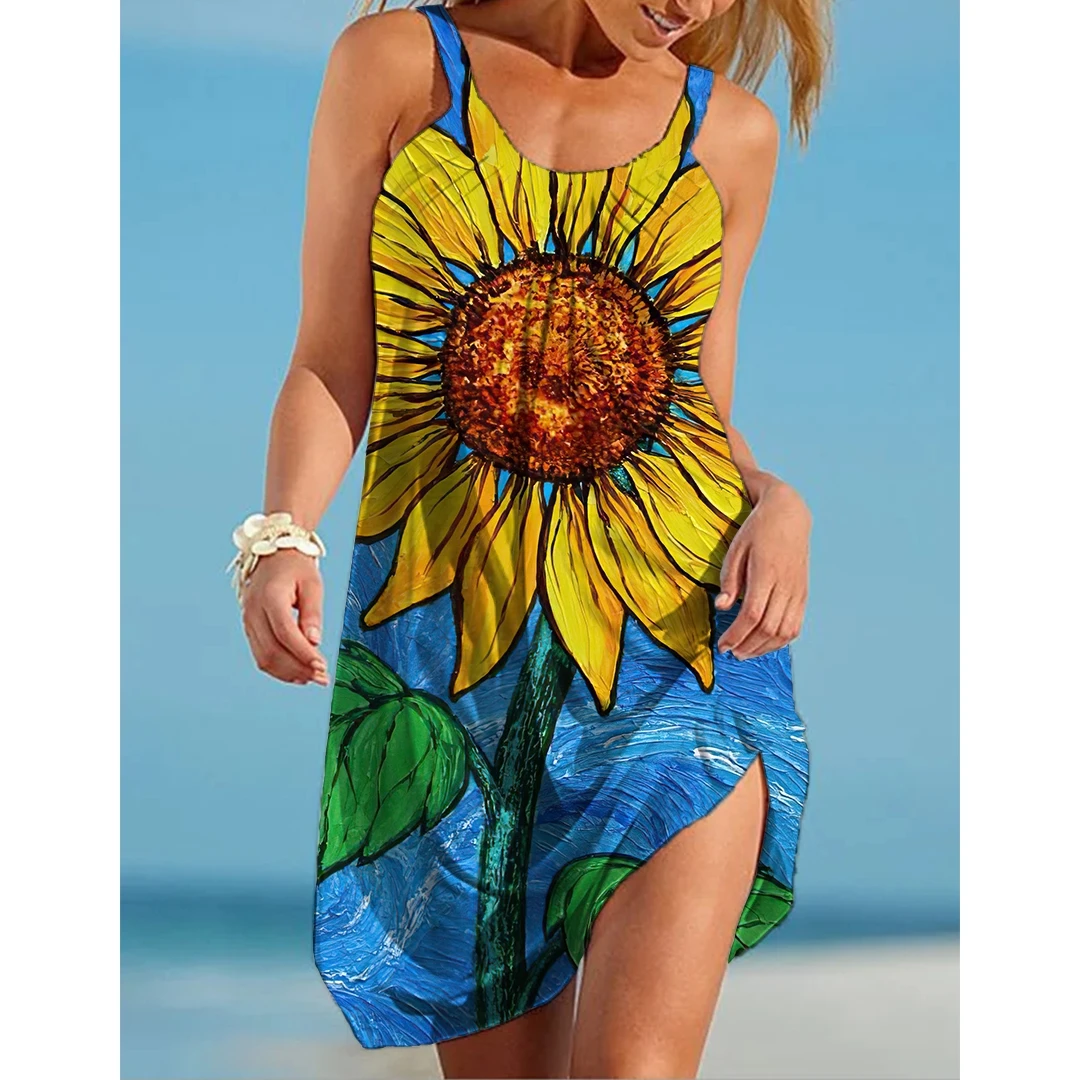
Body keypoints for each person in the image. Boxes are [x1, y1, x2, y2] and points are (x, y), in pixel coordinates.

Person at [230, 1, 830, 1076]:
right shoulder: (400, 68)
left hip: (677, 655)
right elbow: (330, 353)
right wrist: (282, 531)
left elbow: (693, 406)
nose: (695, 8)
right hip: (460, 678)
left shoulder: (728, 135)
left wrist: (778, 499)